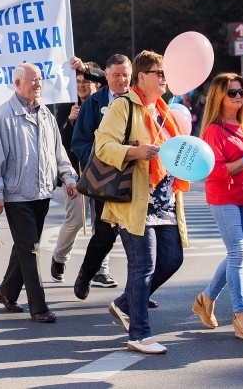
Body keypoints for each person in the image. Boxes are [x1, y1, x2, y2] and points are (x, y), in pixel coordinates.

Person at [100, 50, 189, 354]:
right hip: (135, 201)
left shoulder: (162, 109)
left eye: (165, 73)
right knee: (143, 266)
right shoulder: (123, 106)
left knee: (172, 259)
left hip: (163, 202)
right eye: (159, 73)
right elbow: (103, 145)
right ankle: (140, 334)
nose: (165, 77)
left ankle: (125, 304)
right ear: (142, 77)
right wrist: (135, 152)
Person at [0, 63, 78, 323]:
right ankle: (39, 307)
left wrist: (68, 177)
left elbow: (58, 152)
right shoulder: (4, 115)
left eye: (39, 79)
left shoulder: (45, 114)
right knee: (31, 248)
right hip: (16, 194)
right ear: (17, 83)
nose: (37, 83)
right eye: (32, 80)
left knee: (25, 245)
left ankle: (6, 292)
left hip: (42, 192)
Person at [193, 73, 243, 340]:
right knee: (237, 253)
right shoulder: (213, 130)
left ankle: (206, 298)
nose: (239, 97)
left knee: (239, 255)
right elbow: (214, 171)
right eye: (232, 93)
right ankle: (240, 315)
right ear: (219, 97)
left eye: (241, 92)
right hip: (223, 197)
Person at [70, 54, 132, 298]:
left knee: (139, 239)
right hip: (104, 178)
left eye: (125, 75)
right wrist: (99, 160)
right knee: (105, 235)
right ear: (106, 76)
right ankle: (87, 273)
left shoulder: (137, 100)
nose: (121, 80)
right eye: (116, 75)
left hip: (134, 177)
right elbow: (79, 142)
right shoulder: (93, 104)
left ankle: (139, 292)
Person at [49, 60, 103, 282]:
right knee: (76, 220)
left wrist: (89, 69)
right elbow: (56, 141)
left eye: (86, 81)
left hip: (101, 172)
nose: (81, 85)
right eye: (78, 81)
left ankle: (101, 269)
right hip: (74, 172)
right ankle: (59, 258)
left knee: (102, 222)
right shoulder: (66, 106)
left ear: (97, 84)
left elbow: (107, 75)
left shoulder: (104, 104)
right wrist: (69, 121)